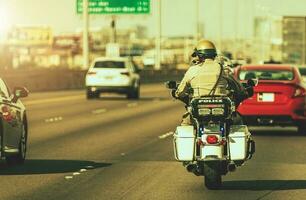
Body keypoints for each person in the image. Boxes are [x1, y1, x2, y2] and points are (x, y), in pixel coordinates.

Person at [174, 39, 249, 125]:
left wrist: (178, 94)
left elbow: (180, 92)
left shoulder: (192, 70)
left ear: (199, 55)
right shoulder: (223, 69)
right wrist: (244, 91)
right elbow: (238, 88)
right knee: (238, 122)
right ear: (214, 54)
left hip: (198, 110)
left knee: (186, 124)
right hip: (222, 110)